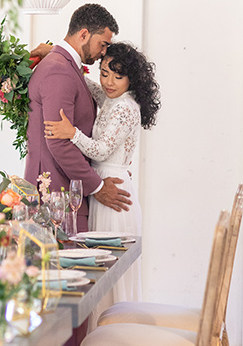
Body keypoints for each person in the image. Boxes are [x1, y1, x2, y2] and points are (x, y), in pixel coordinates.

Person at [44, 41, 161, 322]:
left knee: (109, 274)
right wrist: (56, 55)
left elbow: (101, 150)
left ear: (132, 79)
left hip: (113, 192)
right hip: (105, 184)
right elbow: (89, 87)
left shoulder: (125, 108)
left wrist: (70, 132)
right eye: (105, 72)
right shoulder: (113, 99)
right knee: (102, 269)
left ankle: (115, 334)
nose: (108, 82)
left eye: (118, 76)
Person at [24, 4, 133, 231]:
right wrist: (98, 187)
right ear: (84, 34)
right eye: (103, 44)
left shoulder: (63, 65)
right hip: (59, 198)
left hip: (65, 194)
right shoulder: (59, 70)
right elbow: (59, 142)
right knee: (68, 266)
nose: (104, 52)